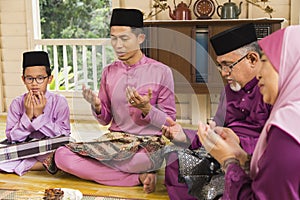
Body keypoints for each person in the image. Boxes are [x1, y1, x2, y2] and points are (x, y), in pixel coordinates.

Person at [53, 8, 176, 194]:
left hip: (146, 144)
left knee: (141, 160)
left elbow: (170, 122)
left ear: (140, 38)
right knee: (62, 156)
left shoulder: (162, 71)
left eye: (124, 39)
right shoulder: (109, 72)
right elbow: (105, 120)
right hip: (114, 141)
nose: (118, 45)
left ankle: (121, 170)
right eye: (113, 38)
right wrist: (96, 105)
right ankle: (138, 177)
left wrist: (147, 108)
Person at [162, 23, 272, 200]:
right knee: (175, 156)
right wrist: (183, 136)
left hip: (253, 157)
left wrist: (238, 143)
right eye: (220, 66)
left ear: (252, 59)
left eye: (228, 65)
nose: (223, 73)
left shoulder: (270, 88)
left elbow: (277, 141)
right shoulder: (228, 92)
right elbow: (214, 129)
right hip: (220, 149)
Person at [197, 25, 300, 200]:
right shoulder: (230, 93)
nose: (259, 72)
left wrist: (230, 160)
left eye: (265, 61)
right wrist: (241, 157)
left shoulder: (288, 126)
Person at [0, 51, 71, 176]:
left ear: (49, 79)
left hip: (50, 149)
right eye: (29, 79)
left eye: (40, 78)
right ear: (23, 79)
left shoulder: (59, 101)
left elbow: (63, 135)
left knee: (67, 153)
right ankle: (40, 165)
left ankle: (35, 163)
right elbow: (12, 138)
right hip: (24, 149)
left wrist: (39, 116)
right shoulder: (17, 103)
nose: (34, 83)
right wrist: (27, 116)